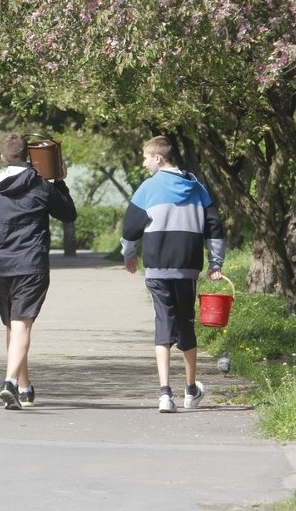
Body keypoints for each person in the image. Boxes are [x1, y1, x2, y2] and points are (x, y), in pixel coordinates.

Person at [0, 132, 77, 410]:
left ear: (2, 157)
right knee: (21, 324)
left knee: (13, 324)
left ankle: (24, 388)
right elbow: (68, 214)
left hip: (1, 265)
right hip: (31, 264)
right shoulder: (41, 185)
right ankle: (9, 381)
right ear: (28, 156)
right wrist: (60, 181)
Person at [120, 135, 225, 414]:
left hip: (156, 267)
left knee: (163, 323)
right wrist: (216, 264)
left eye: (145, 158)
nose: (143, 163)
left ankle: (165, 394)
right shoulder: (197, 187)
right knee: (186, 323)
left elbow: (130, 228)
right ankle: (191, 390)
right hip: (187, 267)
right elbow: (214, 228)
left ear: (158, 158)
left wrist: (129, 255)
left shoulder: (148, 188)